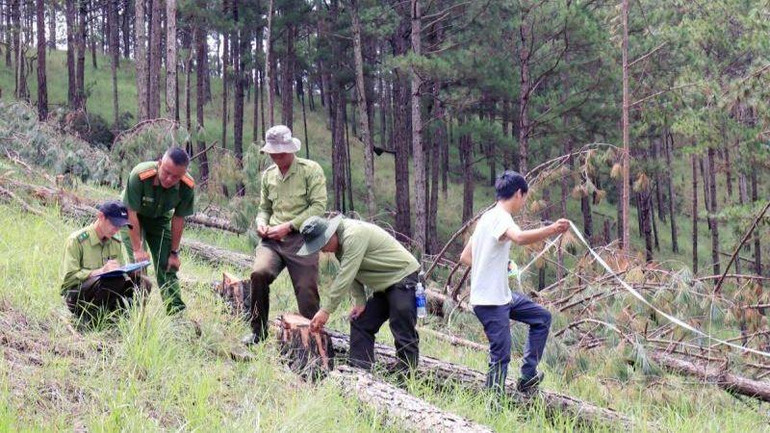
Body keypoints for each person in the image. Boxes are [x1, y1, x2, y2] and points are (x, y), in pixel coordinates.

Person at [460, 171, 569, 395]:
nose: (524, 202)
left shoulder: (486, 217)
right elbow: (518, 238)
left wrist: (498, 265)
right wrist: (553, 229)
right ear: (519, 193)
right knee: (501, 353)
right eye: (525, 197)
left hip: (503, 297)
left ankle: (528, 376)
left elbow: (465, 256)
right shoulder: (501, 217)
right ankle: (493, 404)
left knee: (541, 318)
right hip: (490, 301)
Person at [299, 215, 421, 373]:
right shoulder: (341, 246)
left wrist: (326, 310)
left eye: (321, 245)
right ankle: (359, 374)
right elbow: (354, 273)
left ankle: (407, 380)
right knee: (361, 323)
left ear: (330, 234)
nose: (322, 250)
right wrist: (360, 302)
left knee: (402, 329)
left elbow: (346, 275)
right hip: (386, 285)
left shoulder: (353, 235)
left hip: (404, 278)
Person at [243, 125, 327, 345]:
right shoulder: (268, 176)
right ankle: (257, 332)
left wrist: (289, 226)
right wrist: (261, 222)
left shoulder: (311, 170)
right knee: (259, 274)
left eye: (280, 153)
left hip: (303, 240)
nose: (277, 158)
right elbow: (264, 208)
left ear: (291, 149)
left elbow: (318, 208)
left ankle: (313, 343)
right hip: (272, 240)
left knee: (307, 291)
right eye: (273, 154)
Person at [121, 147, 195, 314]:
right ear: (160, 164)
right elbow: (130, 213)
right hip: (133, 217)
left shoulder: (187, 186)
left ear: (183, 175)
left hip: (160, 219)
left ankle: (176, 314)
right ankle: (134, 312)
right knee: (138, 266)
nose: (169, 179)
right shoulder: (139, 175)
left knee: (167, 265)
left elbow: (178, 218)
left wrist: (174, 253)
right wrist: (137, 249)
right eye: (166, 172)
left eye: (176, 177)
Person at [60, 200, 150, 325]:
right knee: (112, 281)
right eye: (114, 224)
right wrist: (100, 272)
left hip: (105, 292)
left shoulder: (115, 243)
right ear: (101, 217)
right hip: (77, 296)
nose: (117, 230)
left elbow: (120, 273)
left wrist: (133, 272)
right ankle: (90, 321)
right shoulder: (76, 241)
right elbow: (69, 279)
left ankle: (123, 319)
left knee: (144, 281)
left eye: (120, 226)